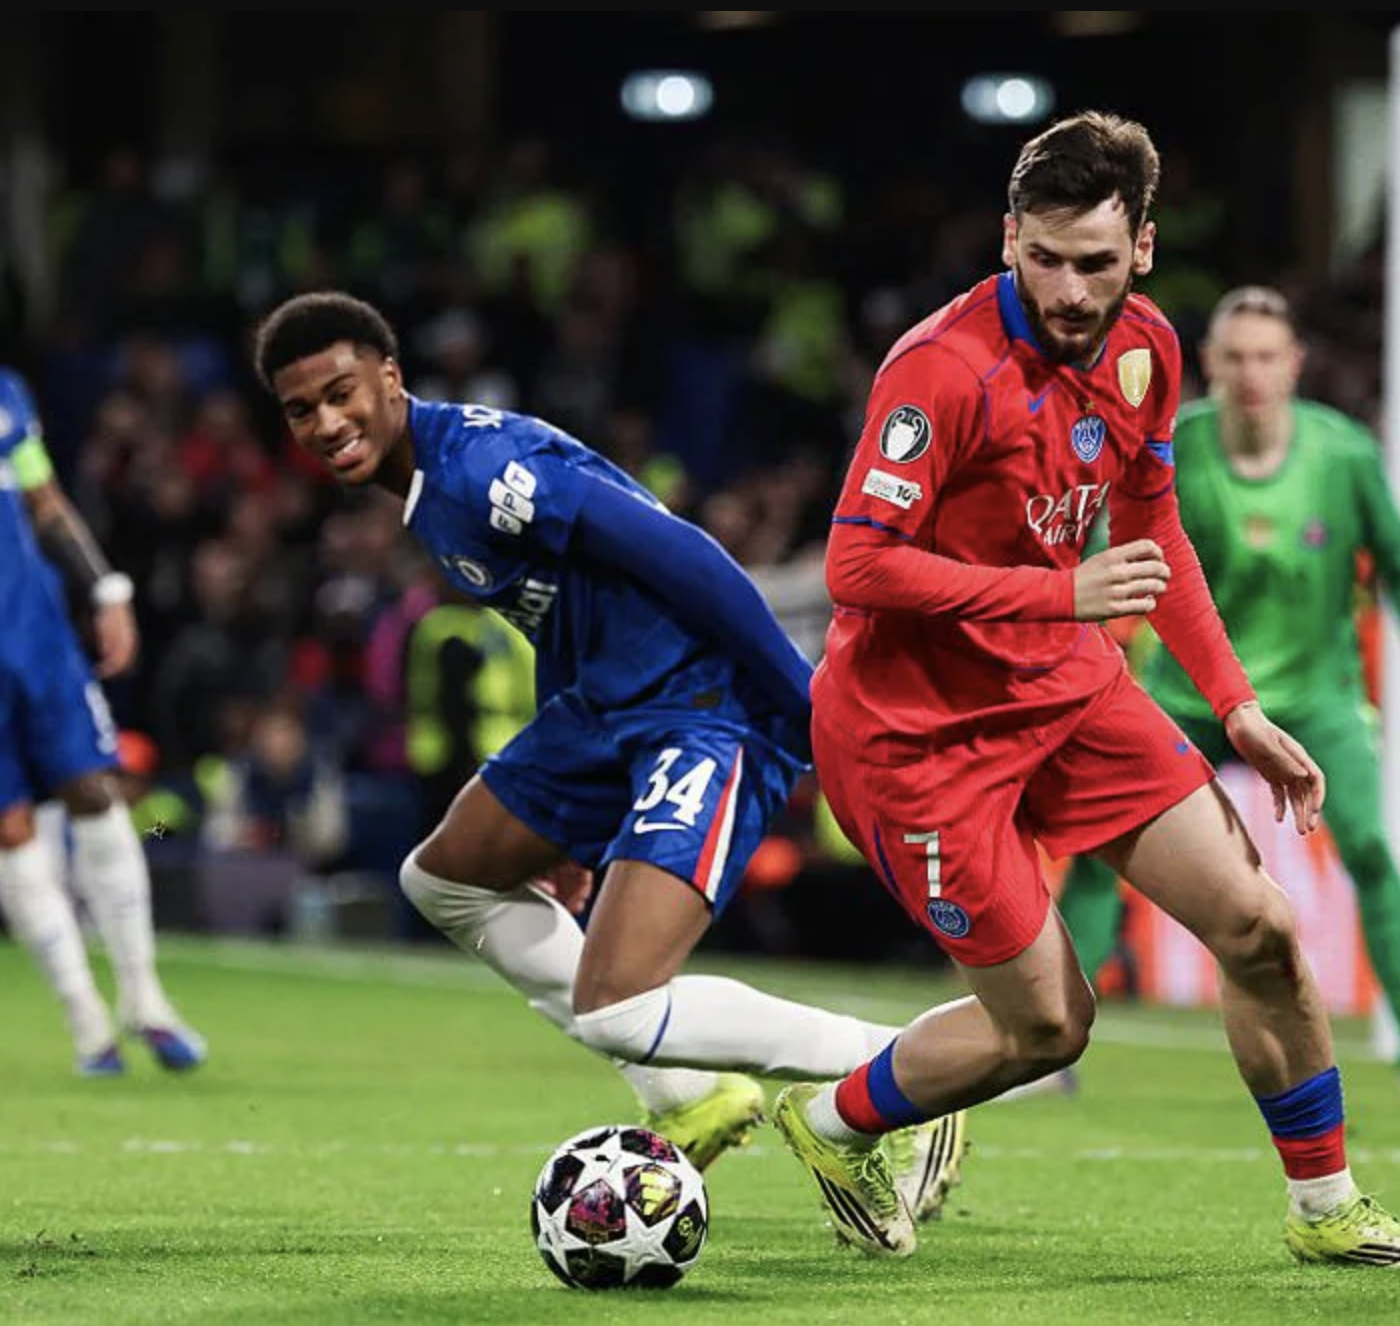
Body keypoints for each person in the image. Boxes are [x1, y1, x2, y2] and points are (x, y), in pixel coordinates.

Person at [773, 111, 1400, 1268]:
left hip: (1061, 690)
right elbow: (857, 564)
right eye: (1043, 258)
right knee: (1047, 1027)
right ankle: (838, 1124)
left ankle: (1328, 1207)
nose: (1070, 290)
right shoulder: (940, 372)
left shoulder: (1148, 350)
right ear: (1008, 239)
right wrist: (1059, 595)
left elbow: (1154, 532)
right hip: (915, 734)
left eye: (1096, 262)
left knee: (1260, 929)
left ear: (1142, 247)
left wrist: (1234, 701)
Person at [249, 292, 965, 1215]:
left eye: (341, 391)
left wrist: (805, 708)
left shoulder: (482, 470)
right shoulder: (428, 489)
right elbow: (560, 619)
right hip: (608, 710)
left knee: (616, 1003)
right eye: (301, 410)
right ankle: (692, 1095)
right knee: (443, 879)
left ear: (390, 376)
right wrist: (566, 818)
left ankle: (898, 1074)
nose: (326, 422)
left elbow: (687, 556)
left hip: (704, 709)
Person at [1056, 285, 1400, 1111]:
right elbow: (1103, 558)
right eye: (1235, 356)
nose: (1250, 373)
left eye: (1266, 357)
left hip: (1316, 699)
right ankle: (1051, 1042)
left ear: (1295, 366)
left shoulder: (1344, 455)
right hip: (1187, 692)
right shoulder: (1172, 444)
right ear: (1207, 364)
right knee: (1101, 855)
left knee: (1372, 851)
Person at [0, 366, 207, 1076]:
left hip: (38, 633)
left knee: (95, 788)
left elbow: (44, 500)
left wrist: (106, 587)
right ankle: (88, 1024)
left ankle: (145, 999)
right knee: (11, 828)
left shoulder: (7, 393)